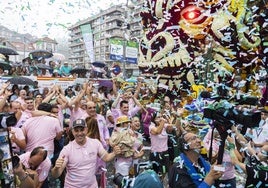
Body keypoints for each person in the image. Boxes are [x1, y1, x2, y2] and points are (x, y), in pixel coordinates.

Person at [51, 119, 121, 188]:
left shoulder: (95, 143)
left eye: (82, 130)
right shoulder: (67, 149)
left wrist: (114, 153)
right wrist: (56, 168)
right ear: (72, 131)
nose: (79, 133)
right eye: (76, 130)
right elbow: (56, 175)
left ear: (86, 130)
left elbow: (106, 158)